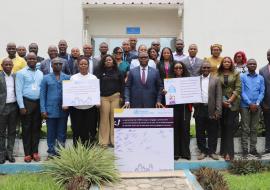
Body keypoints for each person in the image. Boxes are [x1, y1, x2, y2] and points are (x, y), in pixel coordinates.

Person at [15, 52, 43, 163]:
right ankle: (27, 154)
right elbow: (18, 90)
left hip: (38, 103)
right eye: (30, 58)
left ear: (36, 60)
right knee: (26, 129)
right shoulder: (21, 73)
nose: (32, 60)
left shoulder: (40, 73)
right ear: (26, 59)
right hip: (26, 103)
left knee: (36, 128)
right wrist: (21, 106)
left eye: (34, 58)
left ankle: (35, 152)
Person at [40, 58, 70, 158]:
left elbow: (71, 94)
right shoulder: (46, 78)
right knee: (51, 132)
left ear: (62, 66)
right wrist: (43, 110)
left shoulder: (67, 77)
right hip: (50, 110)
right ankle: (51, 152)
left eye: (59, 64)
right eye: (55, 64)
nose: (57, 65)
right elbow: (42, 95)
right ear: (51, 66)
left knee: (62, 132)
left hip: (63, 110)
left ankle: (61, 152)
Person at [194, 62, 222, 160]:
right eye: (204, 67)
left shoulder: (216, 79)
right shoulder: (196, 80)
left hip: (212, 109)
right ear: (201, 69)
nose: (205, 69)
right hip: (199, 109)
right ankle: (203, 151)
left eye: (207, 67)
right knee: (200, 131)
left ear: (210, 69)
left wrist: (218, 111)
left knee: (213, 131)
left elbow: (219, 96)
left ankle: (212, 151)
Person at [96, 55, 124, 147]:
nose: (108, 61)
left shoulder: (118, 72)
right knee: (104, 119)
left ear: (113, 61)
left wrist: (122, 97)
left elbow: (122, 85)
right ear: (104, 62)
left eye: (110, 60)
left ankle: (114, 141)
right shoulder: (99, 72)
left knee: (115, 119)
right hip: (103, 98)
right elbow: (95, 86)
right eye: (106, 60)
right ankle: (104, 142)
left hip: (115, 97)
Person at [216, 57, 241, 161]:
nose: (226, 63)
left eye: (228, 62)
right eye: (225, 62)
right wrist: (222, 101)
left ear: (231, 63)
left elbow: (238, 88)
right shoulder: (218, 74)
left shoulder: (236, 73)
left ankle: (229, 154)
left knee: (229, 128)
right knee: (223, 127)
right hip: (221, 103)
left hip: (233, 104)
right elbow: (217, 88)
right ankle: (223, 151)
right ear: (222, 63)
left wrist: (230, 100)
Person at [70, 57, 98, 146]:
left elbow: (96, 92)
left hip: (89, 108)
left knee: (88, 129)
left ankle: (87, 150)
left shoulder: (93, 78)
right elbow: (70, 92)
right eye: (81, 64)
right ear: (78, 66)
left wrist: (97, 101)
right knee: (76, 129)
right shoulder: (73, 78)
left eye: (85, 64)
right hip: (76, 109)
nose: (83, 65)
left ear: (88, 66)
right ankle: (77, 150)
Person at [240, 59, 265, 159]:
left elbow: (262, 92)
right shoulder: (242, 77)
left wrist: (257, 103)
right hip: (245, 106)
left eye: (254, 64)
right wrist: (250, 103)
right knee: (245, 128)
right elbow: (241, 92)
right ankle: (245, 150)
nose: (252, 65)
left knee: (254, 129)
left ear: (256, 65)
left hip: (257, 106)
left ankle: (253, 149)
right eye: (250, 64)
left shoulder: (261, 78)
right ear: (247, 65)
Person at [168, 61, 191, 160]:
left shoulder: (188, 80)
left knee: (185, 130)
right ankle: (175, 153)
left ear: (183, 69)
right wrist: (165, 92)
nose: (178, 70)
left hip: (185, 108)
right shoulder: (169, 81)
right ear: (173, 69)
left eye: (180, 68)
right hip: (174, 108)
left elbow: (192, 94)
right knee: (175, 130)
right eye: (176, 68)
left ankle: (185, 153)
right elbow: (167, 97)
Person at [0, 58, 18, 164]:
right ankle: (1, 154)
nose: (8, 66)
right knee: (1, 133)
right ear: (2, 66)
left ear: (12, 66)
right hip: (2, 108)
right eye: (6, 64)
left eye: (10, 65)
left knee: (12, 132)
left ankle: (9, 153)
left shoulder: (15, 76)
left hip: (14, 107)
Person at [259, 49, 270, 154]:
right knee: (268, 126)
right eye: (268, 55)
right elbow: (261, 88)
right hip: (267, 104)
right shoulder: (262, 70)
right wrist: (263, 104)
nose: (269, 56)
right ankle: (268, 147)